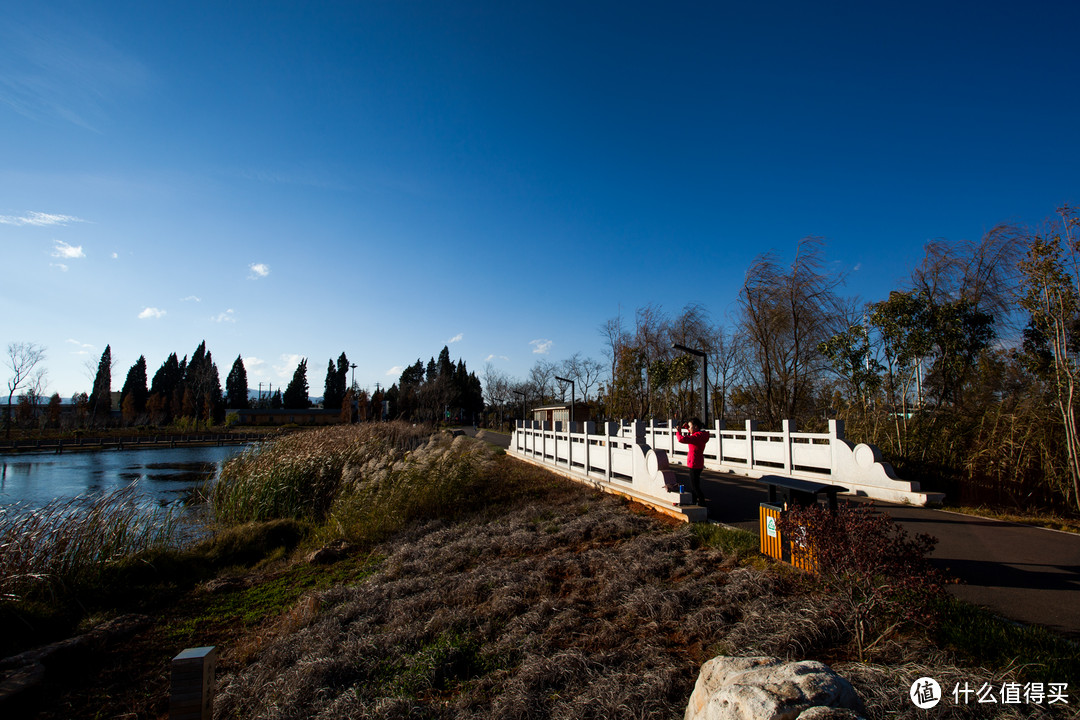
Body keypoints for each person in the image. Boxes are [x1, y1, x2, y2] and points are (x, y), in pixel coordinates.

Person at [676, 417, 710, 505]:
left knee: (695, 487)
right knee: (694, 485)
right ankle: (694, 501)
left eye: (690, 426)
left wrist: (678, 431)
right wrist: (687, 428)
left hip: (694, 463)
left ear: (695, 427)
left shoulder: (697, 436)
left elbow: (681, 439)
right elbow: (692, 436)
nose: (689, 428)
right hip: (697, 462)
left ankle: (702, 503)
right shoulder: (700, 435)